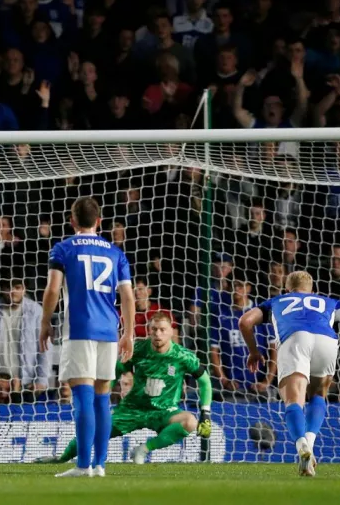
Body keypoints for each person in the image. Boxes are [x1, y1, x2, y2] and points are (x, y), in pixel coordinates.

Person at [39, 197, 135, 478]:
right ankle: (100, 465)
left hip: (79, 330)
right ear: (99, 221)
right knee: (102, 399)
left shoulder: (63, 248)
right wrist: (128, 334)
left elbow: (52, 289)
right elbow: (127, 296)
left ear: (72, 221)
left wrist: (45, 322)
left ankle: (83, 466)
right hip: (108, 330)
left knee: (82, 398)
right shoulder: (115, 252)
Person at [239, 270, 340, 477]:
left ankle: (301, 445)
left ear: (287, 289)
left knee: (293, 400)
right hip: (327, 340)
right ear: (312, 290)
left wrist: (254, 352)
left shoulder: (277, 301)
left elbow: (245, 321)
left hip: (295, 338)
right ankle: (309, 442)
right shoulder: (327, 301)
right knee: (318, 394)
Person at [40, 313, 212, 465]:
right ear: (148, 330)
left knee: (189, 422)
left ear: (171, 331)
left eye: (162, 330)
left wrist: (205, 412)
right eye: (154, 329)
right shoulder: (138, 350)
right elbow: (115, 372)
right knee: (94, 429)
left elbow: (205, 382)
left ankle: (143, 449)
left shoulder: (184, 357)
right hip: (132, 409)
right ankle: (61, 458)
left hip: (165, 410)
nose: (158, 334)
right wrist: (100, 399)